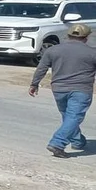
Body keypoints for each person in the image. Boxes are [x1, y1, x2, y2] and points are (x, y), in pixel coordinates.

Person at [29, 23, 96, 158]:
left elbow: (41, 68)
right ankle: (57, 143)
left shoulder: (53, 50)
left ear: (68, 36)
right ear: (86, 37)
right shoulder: (92, 53)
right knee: (74, 117)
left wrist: (34, 84)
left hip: (59, 89)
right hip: (81, 90)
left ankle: (77, 141)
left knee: (68, 116)